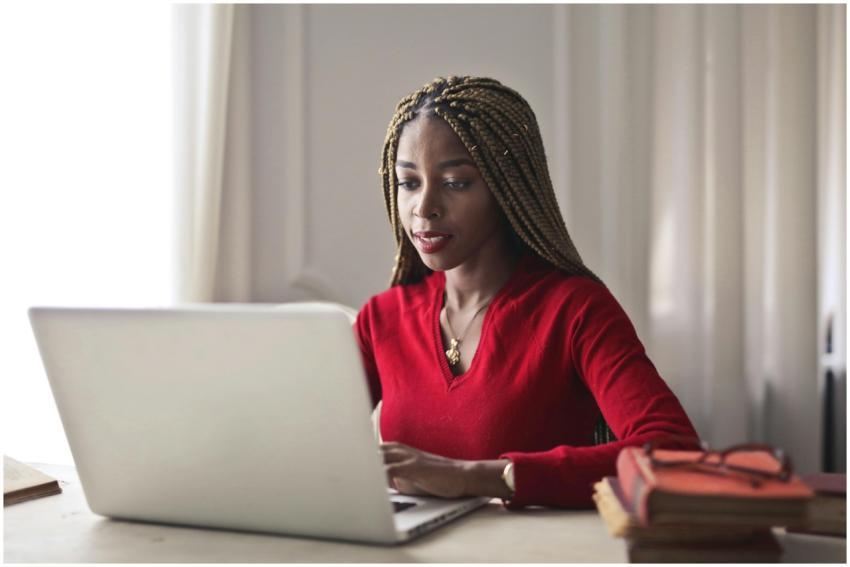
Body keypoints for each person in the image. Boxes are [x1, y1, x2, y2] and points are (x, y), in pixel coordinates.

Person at [354, 75, 698, 509]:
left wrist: (472, 477)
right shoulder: (381, 319)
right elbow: (302, 446)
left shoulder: (574, 310)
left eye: (456, 182)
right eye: (409, 183)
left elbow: (674, 453)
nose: (424, 208)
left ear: (506, 186)